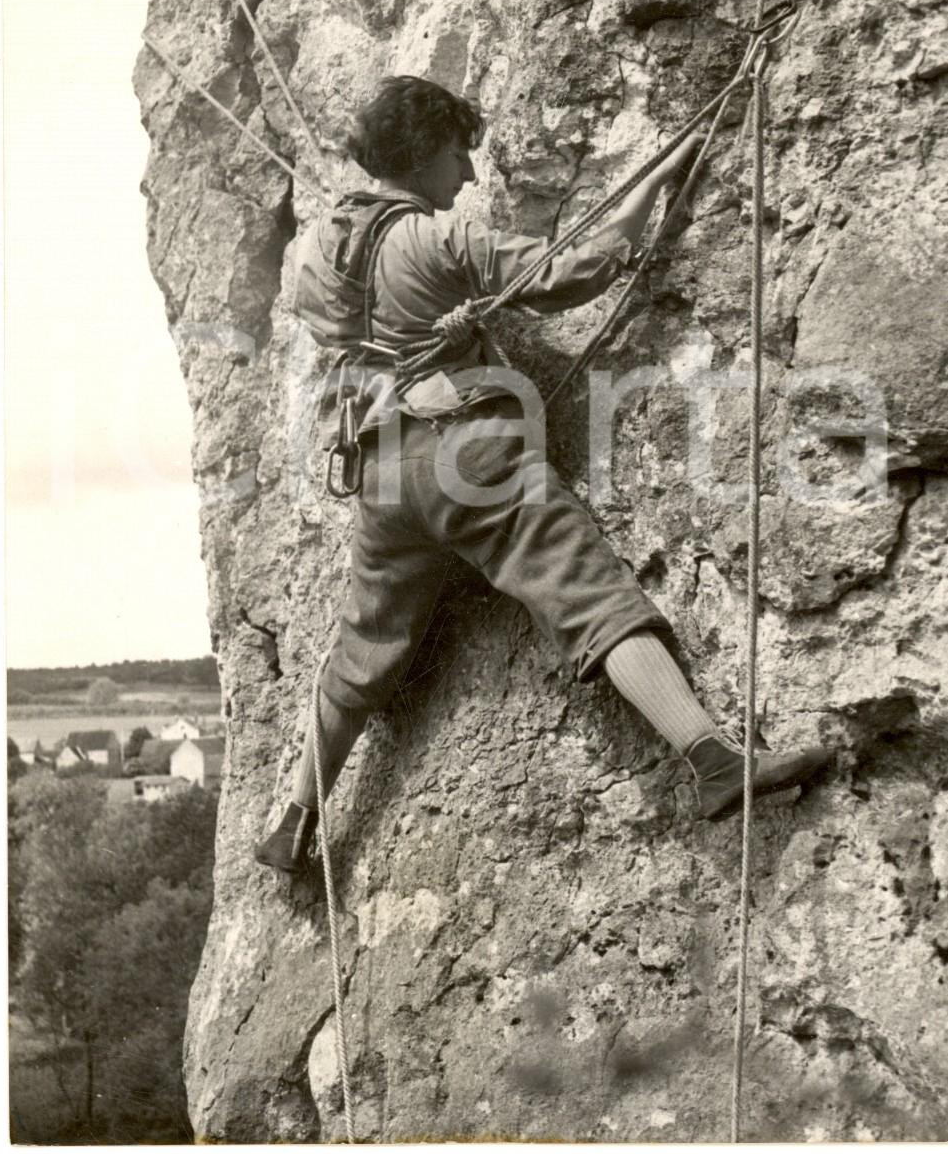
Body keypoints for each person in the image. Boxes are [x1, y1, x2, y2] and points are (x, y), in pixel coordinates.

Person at [255, 76, 831, 876]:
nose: (465, 175)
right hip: (465, 455)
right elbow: (568, 274)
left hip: (380, 475)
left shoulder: (320, 257)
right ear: (421, 155)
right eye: (457, 155)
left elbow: (349, 329)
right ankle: (710, 759)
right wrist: (656, 181)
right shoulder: (433, 239)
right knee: (587, 593)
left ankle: (293, 818)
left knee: (361, 651)